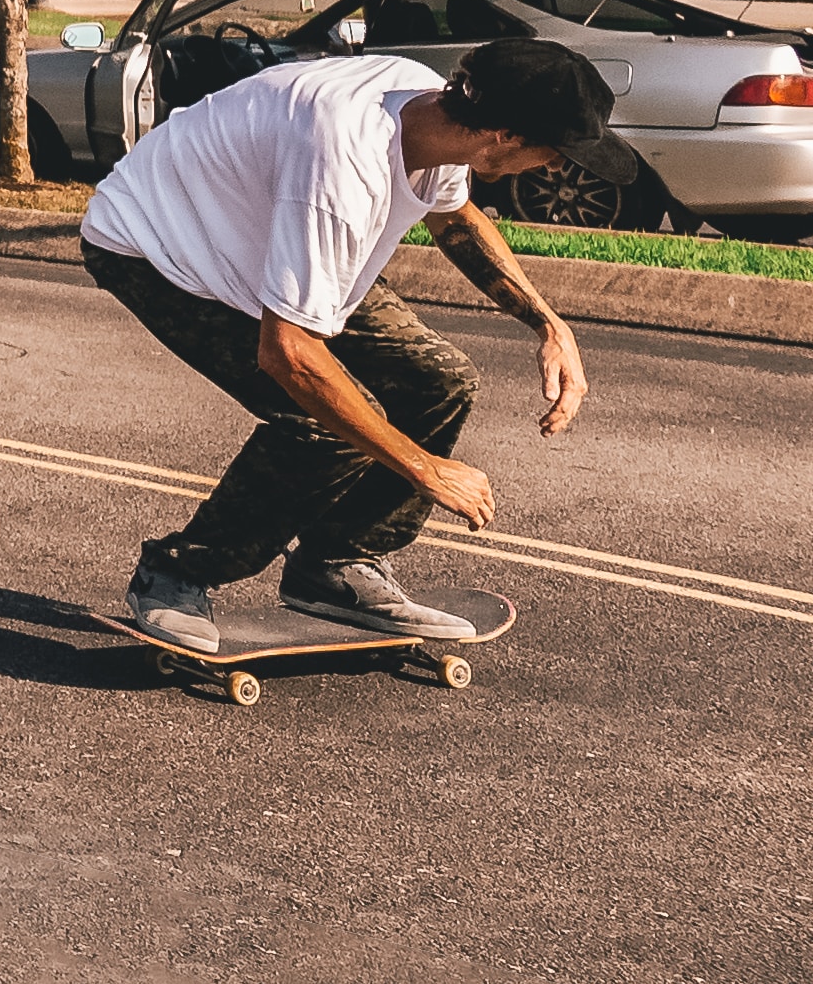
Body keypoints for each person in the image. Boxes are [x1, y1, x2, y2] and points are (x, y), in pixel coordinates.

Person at [71, 35, 610, 653]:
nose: (555, 168)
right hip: (158, 240)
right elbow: (289, 355)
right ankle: (177, 571)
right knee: (322, 419)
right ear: (506, 137)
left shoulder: (436, 112)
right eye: (555, 152)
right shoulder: (344, 164)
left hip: (258, 231)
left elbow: (453, 216)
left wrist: (549, 324)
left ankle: (337, 563)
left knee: (438, 379)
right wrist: (423, 468)